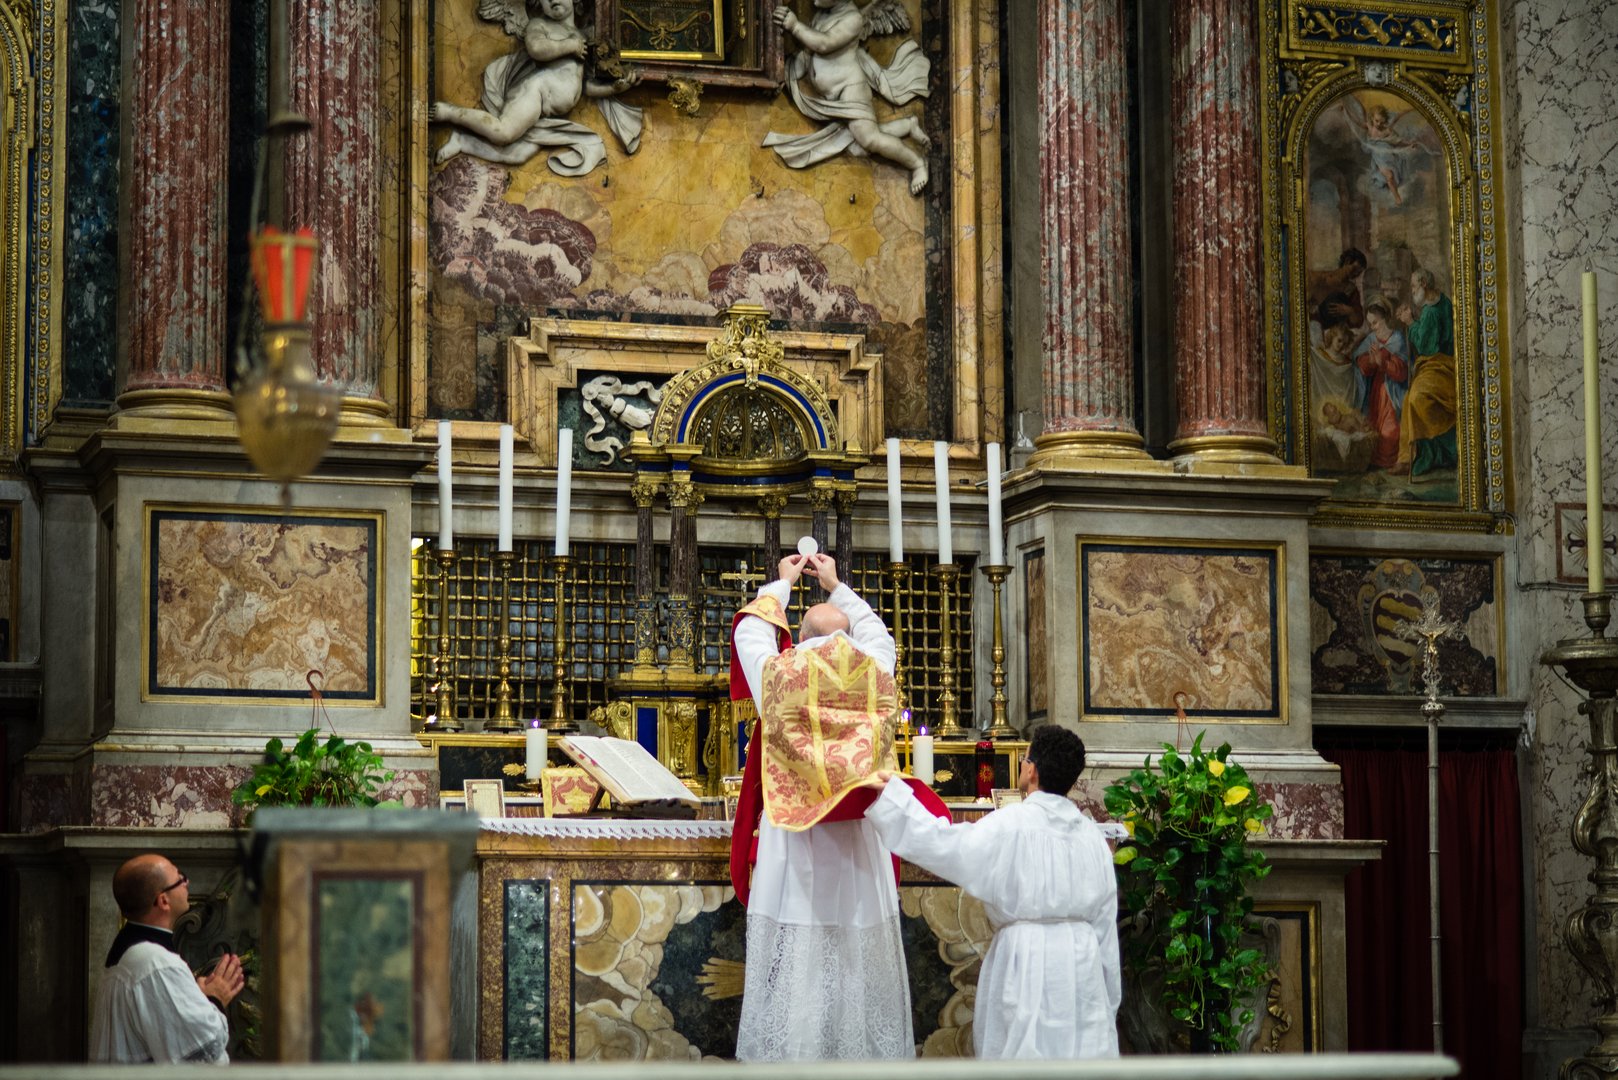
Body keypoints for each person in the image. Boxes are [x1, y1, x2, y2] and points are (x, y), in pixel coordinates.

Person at [728, 551, 946, 1060]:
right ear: (848, 637)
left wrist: (781, 585)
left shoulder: (781, 672)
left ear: (799, 638)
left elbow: (749, 633)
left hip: (796, 840)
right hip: (858, 845)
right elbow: (880, 634)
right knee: (855, 957)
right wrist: (835, 584)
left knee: (799, 962)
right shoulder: (876, 670)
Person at [862, 725, 1121, 1059]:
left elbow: (945, 846)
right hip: (1083, 972)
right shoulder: (1092, 838)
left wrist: (893, 800)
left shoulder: (1011, 824)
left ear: (1031, 769)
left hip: (1025, 964)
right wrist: (1107, 1004)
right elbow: (1105, 934)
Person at [431, 0, 642, 175]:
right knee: (503, 132)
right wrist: (569, 45)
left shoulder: (582, 37)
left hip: (544, 113)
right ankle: (450, 112)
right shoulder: (540, 25)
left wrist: (614, 89)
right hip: (535, 93)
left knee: (518, 155)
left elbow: (584, 87)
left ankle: (463, 142)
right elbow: (536, 48)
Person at [90, 854, 245, 1063]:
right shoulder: (157, 964)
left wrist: (196, 997)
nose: (187, 882)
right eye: (180, 879)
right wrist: (215, 998)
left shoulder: (133, 952)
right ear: (163, 900)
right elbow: (203, 1056)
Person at [766, 0, 933, 194]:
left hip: (851, 91)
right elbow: (809, 51)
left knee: (869, 140)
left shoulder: (853, 19)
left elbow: (824, 43)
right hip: (835, 97)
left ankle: (917, 163)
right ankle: (907, 125)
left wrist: (795, 26)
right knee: (860, 146)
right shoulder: (822, 15)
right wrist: (788, 72)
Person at [1393, 267, 1458, 477]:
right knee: (1408, 399)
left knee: (1414, 399)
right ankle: (1407, 457)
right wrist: (1413, 320)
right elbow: (1431, 334)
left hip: (1439, 367)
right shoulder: (1442, 301)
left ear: (1423, 284)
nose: (1412, 291)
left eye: (1413, 286)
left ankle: (1422, 455)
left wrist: (1410, 322)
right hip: (1443, 365)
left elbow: (1426, 347)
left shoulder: (1430, 312)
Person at [1351, 301, 1411, 470]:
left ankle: (1396, 462)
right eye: (1370, 324)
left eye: (1375, 322)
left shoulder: (1397, 339)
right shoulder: (1371, 339)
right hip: (1375, 393)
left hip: (1394, 394)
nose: (1373, 327)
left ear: (1385, 319)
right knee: (1371, 431)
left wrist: (1383, 364)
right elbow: (1360, 363)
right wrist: (1370, 361)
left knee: (1389, 434)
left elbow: (1402, 372)